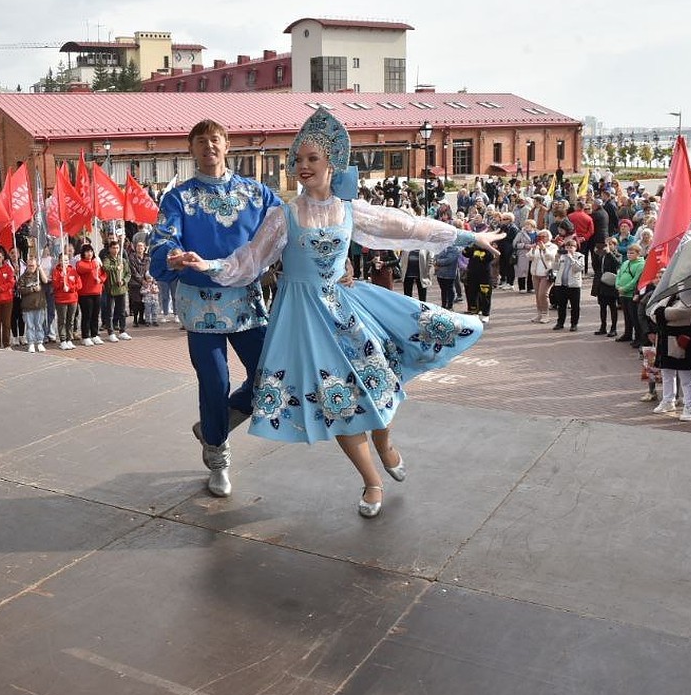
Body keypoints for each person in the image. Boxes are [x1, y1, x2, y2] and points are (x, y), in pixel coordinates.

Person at [180, 109, 499, 517]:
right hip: (304, 321)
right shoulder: (284, 215)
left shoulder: (351, 210)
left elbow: (407, 227)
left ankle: (385, 446)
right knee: (340, 402)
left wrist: (471, 235)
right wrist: (207, 265)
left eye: (312, 159)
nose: (303, 167)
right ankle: (372, 482)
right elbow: (249, 259)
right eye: (298, 160)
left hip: (346, 310)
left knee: (381, 384)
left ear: (331, 164)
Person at [150, 119, 282, 497]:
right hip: (200, 304)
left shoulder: (256, 194)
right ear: (191, 149)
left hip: (245, 300)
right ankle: (218, 454)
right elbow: (164, 236)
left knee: (269, 373)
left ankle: (218, 421)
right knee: (214, 381)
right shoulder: (179, 198)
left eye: (216, 140)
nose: (209, 146)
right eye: (201, 141)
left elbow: (287, 227)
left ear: (227, 146)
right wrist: (171, 255)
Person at [650, 290, 691, 421]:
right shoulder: (670, 295)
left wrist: (663, 313)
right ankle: (668, 400)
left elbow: (684, 312)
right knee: (666, 372)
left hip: (683, 341)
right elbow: (653, 313)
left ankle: (690, 406)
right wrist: (663, 313)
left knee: (686, 375)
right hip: (666, 338)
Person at [549, 234, 585, 331]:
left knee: (575, 306)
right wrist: (556, 258)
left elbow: (578, 268)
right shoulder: (562, 256)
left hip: (574, 286)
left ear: (575, 248)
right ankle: (560, 323)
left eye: (571, 247)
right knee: (561, 305)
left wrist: (571, 258)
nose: (568, 249)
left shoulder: (580, 256)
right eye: (567, 247)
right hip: (561, 285)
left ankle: (574, 324)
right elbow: (555, 268)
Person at [101, 238, 132, 342]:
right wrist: (116, 268)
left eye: (117, 247)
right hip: (110, 289)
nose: (116, 250)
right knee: (109, 311)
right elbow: (105, 267)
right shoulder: (107, 259)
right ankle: (111, 332)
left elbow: (128, 273)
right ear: (109, 249)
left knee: (122, 311)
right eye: (113, 248)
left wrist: (123, 281)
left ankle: (122, 330)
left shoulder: (122, 260)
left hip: (121, 289)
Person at [75, 243, 106, 346]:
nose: (89, 253)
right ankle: (85, 336)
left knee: (95, 315)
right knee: (87, 315)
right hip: (85, 293)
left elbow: (103, 274)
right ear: (83, 253)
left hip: (97, 291)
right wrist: (95, 264)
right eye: (87, 251)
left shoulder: (96, 262)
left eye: (91, 251)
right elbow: (83, 269)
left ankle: (95, 334)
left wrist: (100, 279)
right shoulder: (80, 263)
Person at [16, 255, 48, 353]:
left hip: (39, 304)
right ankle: (31, 343)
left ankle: (39, 342)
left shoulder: (39, 275)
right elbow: (20, 290)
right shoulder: (23, 277)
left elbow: (46, 281)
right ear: (27, 265)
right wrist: (32, 289)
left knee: (39, 325)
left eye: (33, 265)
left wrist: (40, 269)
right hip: (28, 306)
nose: (31, 267)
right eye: (29, 266)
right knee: (30, 326)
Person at [50, 250, 82, 350]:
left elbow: (79, 285)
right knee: (62, 320)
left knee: (70, 320)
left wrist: (70, 287)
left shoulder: (73, 271)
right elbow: (55, 285)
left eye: (67, 260)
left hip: (72, 299)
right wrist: (61, 278)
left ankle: (69, 339)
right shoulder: (56, 271)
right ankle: (63, 340)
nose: (65, 262)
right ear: (59, 261)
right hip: (61, 300)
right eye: (63, 260)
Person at [615, 243, 645, 344]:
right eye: (628, 253)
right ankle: (627, 334)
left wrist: (625, 288)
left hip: (631, 295)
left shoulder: (641, 264)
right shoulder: (625, 263)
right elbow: (619, 275)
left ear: (638, 254)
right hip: (622, 294)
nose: (629, 255)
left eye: (632, 253)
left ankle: (638, 338)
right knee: (627, 316)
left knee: (634, 318)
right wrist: (618, 285)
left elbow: (636, 280)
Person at [592, 237, 621, 336]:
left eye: (610, 244)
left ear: (614, 245)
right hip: (601, 284)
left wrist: (609, 253)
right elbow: (595, 267)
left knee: (613, 307)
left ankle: (614, 328)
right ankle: (603, 327)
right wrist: (595, 254)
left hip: (611, 285)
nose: (607, 246)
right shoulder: (601, 255)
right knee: (602, 307)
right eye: (606, 244)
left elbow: (617, 264)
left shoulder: (617, 255)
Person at [528, 230, 557, 323]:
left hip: (546, 274)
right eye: (539, 236)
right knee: (537, 295)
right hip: (536, 274)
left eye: (543, 236)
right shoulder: (536, 246)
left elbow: (551, 257)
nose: (541, 238)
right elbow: (530, 257)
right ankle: (539, 314)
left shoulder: (553, 246)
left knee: (543, 294)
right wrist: (532, 249)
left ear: (548, 237)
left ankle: (545, 315)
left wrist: (544, 249)